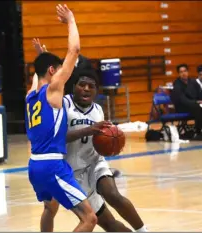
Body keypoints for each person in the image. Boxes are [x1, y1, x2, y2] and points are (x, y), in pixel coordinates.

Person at [25, 5, 97, 232]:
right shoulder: (53, 91)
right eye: (58, 70)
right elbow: (74, 49)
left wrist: (42, 56)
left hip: (34, 166)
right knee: (89, 219)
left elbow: (40, 72)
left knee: (50, 208)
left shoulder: (30, 95)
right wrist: (71, 19)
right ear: (52, 72)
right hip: (52, 165)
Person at [61, 68, 148, 232]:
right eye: (82, 85)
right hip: (73, 174)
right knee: (110, 225)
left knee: (113, 195)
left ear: (96, 91)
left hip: (95, 163)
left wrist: (111, 144)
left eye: (91, 86)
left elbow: (102, 140)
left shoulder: (98, 110)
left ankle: (144, 231)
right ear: (73, 87)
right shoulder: (64, 105)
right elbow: (57, 138)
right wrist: (89, 130)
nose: (86, 88)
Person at [170, 64, 202, 140]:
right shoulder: (177, 85)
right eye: (181, 72)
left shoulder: (193, 82)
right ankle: (198, 133)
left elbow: (201, 94)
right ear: (179, 74)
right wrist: (197, 102)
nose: (183, 73)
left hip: (197, 106)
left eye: (185, 71)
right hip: (184, 107)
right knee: (197, 107)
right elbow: (183, 100)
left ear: (188, 72)